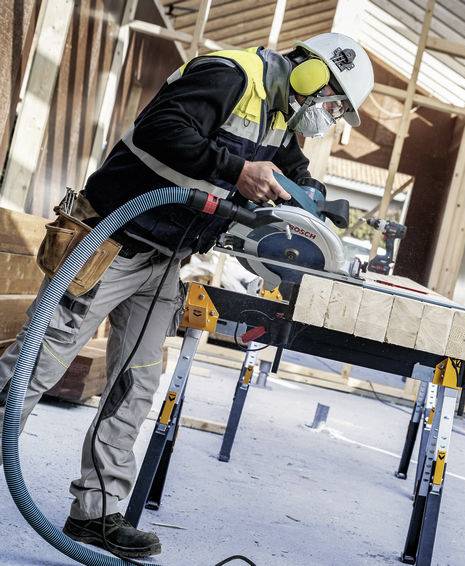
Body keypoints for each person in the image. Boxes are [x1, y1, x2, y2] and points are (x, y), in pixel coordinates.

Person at [0, 32, 373, 558]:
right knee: (39, 363)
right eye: (333, 103)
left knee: (136, 384)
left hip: (166, 259)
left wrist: (318, 206)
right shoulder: (229, 75)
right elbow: (161, 130)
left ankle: (96, 513)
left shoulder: (282, 112)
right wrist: (235, 171)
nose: (330, 116)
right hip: (114, 242)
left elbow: (290, 169)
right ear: (312, 75)